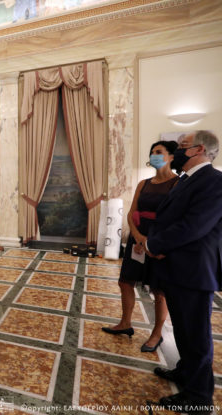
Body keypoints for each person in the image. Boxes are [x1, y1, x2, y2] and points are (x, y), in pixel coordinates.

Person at [146, 131, 222, 413]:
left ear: (199, 149)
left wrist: (154, 244)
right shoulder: (188, 179)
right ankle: (185, 371)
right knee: (183, 327)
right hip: (179, 268)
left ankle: (199, 396)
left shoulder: (214, 181)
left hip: (194, 270)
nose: (176, 150)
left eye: (182, 146)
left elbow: (194, 226)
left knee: (196, 334)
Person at [102, 140, 179, 352]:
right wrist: (137, 237)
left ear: (171, 157)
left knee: (159, 290)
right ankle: (125, 323)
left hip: (160, 240)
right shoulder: (143, 184)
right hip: (138, 238)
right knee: (125, 282)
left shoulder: (177, 184)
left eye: (159, 152)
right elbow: (131, 213)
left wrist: (151, 242)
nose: (154, 155)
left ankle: (157, 334)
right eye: (152, 152)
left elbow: (175, 218)